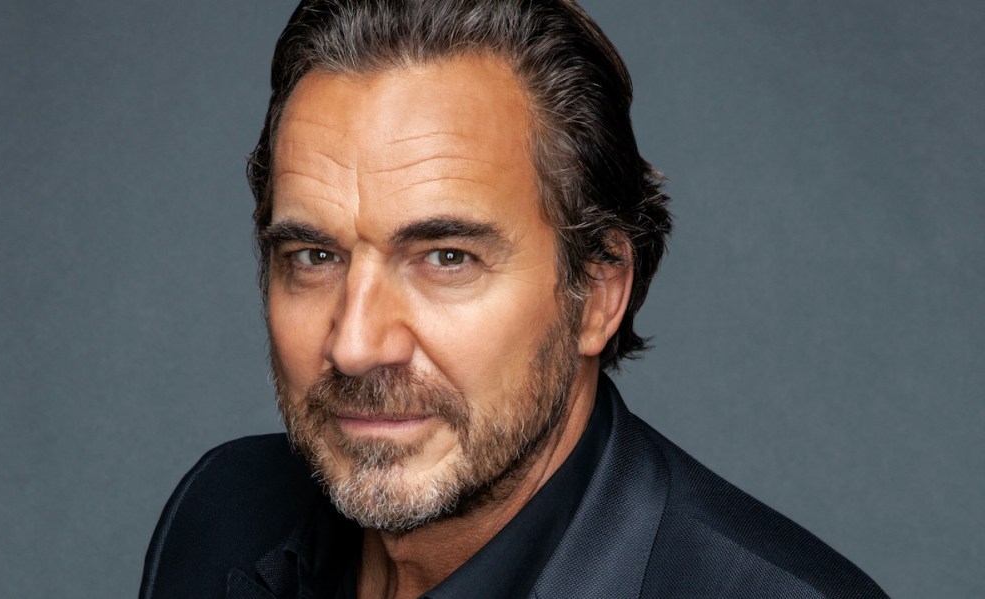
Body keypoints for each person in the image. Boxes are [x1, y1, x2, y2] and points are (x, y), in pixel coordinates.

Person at [140, 1, 888, 597]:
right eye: (314, 256)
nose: (355, 343)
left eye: (447, 257)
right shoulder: (221, 517)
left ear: (597, 292)